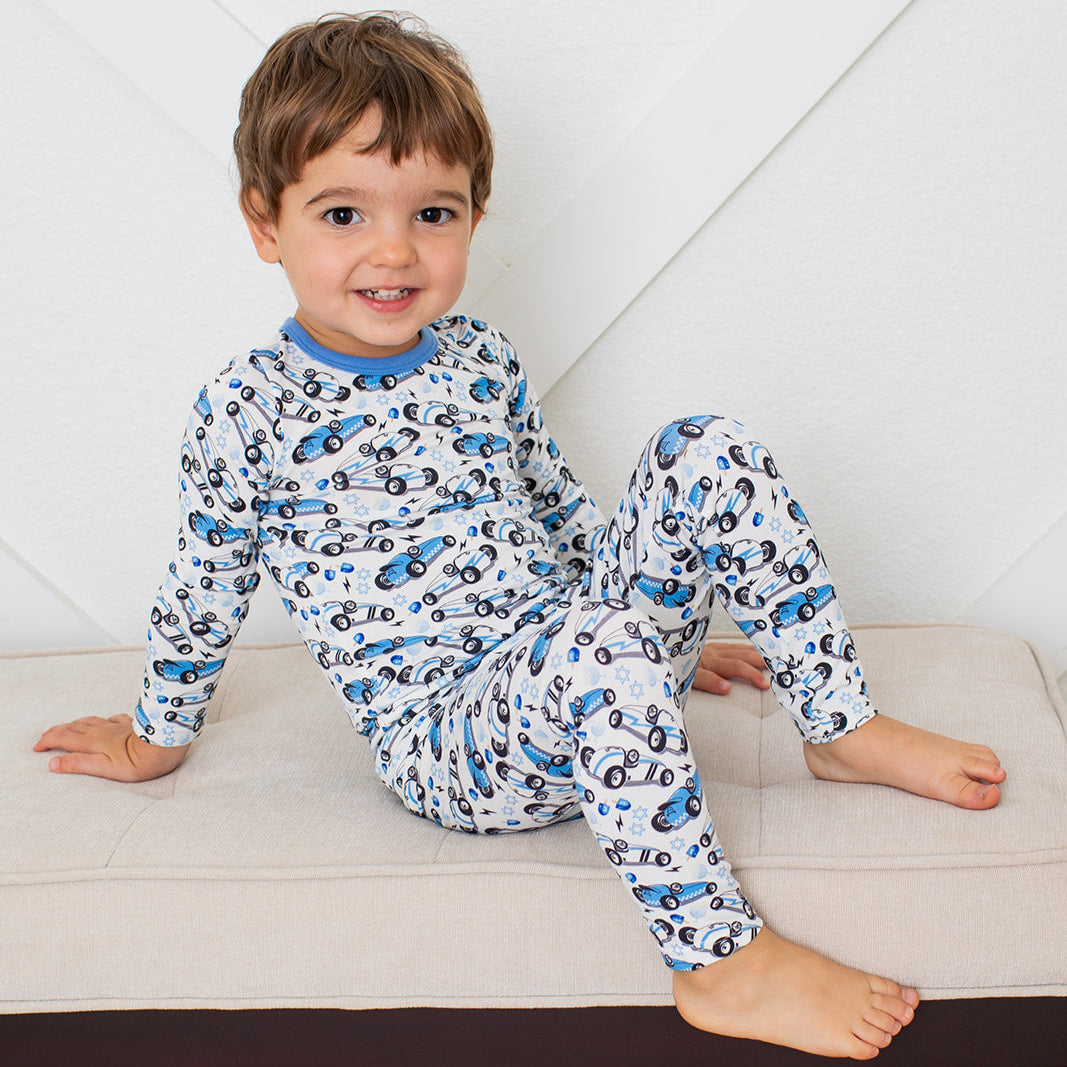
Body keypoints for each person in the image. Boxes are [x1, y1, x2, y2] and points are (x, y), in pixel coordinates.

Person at [34, 14, 1006, 1059]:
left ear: (473, 216)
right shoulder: (247, 408)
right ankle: (718, 962)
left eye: (432, 212)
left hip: (582, 650)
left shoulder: (480, 356)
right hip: (451, 741)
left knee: (704, 448)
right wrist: (154, 734)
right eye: (344, 212)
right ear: (265, 222)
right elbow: (203, 583)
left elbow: (560, 507)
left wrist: (664, 620)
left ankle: (838, 724)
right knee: (597, 644)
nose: (394, 250)